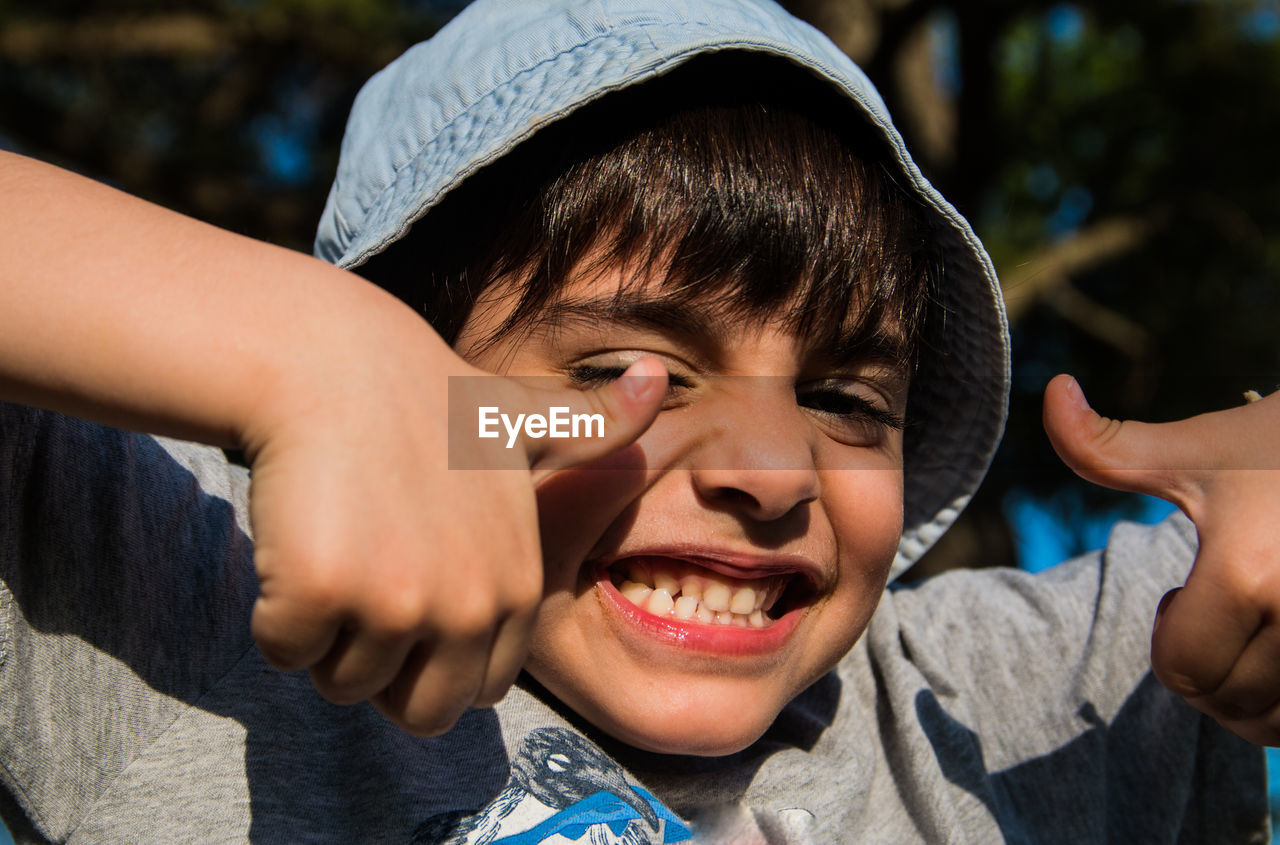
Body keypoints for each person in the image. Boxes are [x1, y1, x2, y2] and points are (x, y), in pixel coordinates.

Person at [0, 0, 1275, 841]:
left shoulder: (975, 716)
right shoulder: (206, 608)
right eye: (620, 368)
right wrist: (301, 345)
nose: (775, 472)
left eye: (843, 399)